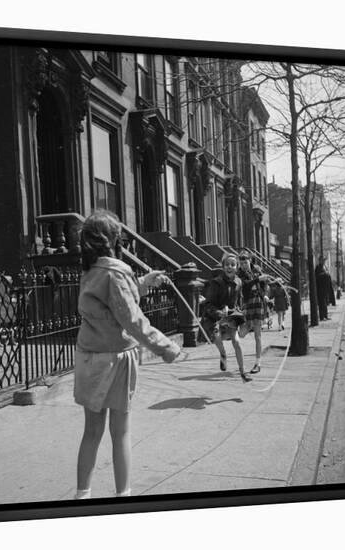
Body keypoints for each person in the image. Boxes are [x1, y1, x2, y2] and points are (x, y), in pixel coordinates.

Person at [74, 210, 181, 500]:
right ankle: (124, 496)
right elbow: (131, 320)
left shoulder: (91, 270)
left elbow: (113, 306)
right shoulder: (115, 273)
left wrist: (143, 282)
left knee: (91, 432)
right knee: (119, 432)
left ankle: (82, 495)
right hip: (115, 360)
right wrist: (165, 346)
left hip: (89, 358)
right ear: (113, 240)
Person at [201, 252, 252, 382]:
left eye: (233, 265)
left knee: (237, 342)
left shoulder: (239, 282)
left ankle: (243, 372)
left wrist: (240, 310)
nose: (230, 267)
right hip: (215, 316)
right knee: (217, 337)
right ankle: (223, 354)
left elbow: (239, 300)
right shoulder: (216, 283)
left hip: (231, 316)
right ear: (223, 267)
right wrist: (219, 313)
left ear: (236, 267)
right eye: (227, 265)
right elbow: (208, 304)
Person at [237, 253, 270, 374]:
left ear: (250, 261)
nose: (244, 265)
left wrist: (265, 294)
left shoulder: (257, 269)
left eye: (245, 262)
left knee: (258, 335)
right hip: (248, 303)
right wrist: (257, 279)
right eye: (241, 263)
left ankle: (257, 363)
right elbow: (245, 285)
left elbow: (264, 283)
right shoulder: (239, 274)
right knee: (242, 333)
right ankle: (241, 330)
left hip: (259, 302)